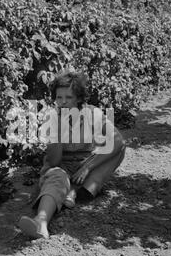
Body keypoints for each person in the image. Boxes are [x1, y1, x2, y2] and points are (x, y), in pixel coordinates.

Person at [18, 71, 126, 239]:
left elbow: (118, 140)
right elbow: (54, 162)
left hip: (88, 164)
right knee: (57, 178)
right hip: (62, 166)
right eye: (58, 97)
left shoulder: (93, 113)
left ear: (79, 98)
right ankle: (41, 221)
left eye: (68, 97)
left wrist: (87, 167)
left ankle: (75, 191)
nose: (62, 102)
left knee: (118, 148)